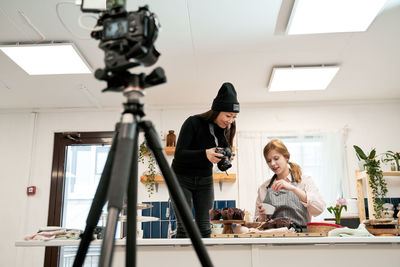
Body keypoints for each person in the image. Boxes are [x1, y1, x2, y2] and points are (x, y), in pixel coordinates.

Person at [172, 82, 239, 238]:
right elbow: (179, 154)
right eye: (228, 115)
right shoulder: (193, 123)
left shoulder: (225, 131)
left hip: (205, 179)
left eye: (234, 117)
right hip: (181, 178)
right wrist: (205, 154)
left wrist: (225, 159)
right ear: (216, 110)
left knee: (205, 228)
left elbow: (219, 163)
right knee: (185, 226)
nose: (230, 120)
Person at [254, 139, 326, 230]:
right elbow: (257, 224)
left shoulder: (304, 181)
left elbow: (319, 209)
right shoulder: (264, 188)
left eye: (276, 158)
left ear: (286, 157)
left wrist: (293, 189)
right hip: (274, 240)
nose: (272, 164)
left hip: (300, 239)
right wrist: (262, 217)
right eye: (269, 161)